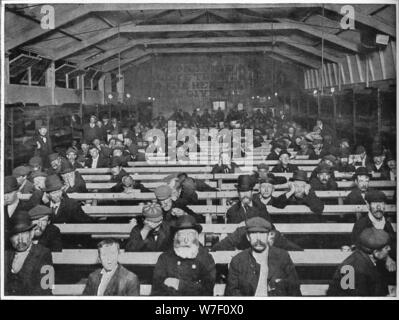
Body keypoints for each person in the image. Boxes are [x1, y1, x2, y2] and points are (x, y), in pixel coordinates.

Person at [225, 217, 301, 296]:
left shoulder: (282, 257)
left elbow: (294, 290)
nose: (258, 239)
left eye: (262, 233)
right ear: (248, 237)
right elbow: (231, 293)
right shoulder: (238, 261)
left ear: (268, 236)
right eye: (254, 233)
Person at [152, 215, 216, 296]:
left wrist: (179, 284)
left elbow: (207, 290)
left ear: (196, 237)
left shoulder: (205, 258)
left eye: (190, 234)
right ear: (175, 237)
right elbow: (157, 289)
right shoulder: (165, 258)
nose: (186, 240)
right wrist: (194, 286)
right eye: (182, 234)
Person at [327, 228, 392, 296]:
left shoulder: (362, 257)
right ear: (376, 252)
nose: (389, 249)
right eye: (386, 247)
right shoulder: (358, 270)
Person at [4, 209, 53, 295]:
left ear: (32, 233)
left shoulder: (43, 254)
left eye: (24, 233)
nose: (20, 239)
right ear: (10, 238)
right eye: (15, 234)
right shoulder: (5, 255)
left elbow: (46, 289)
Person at [351, 191, 396, 274]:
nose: (379, 207)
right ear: (368, 205)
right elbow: (360, 250)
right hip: (367, 269)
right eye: (375, 203)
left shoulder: (387, 224)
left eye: (382, 203)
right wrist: (386, 258)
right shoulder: (361, 224)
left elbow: (393, 245)